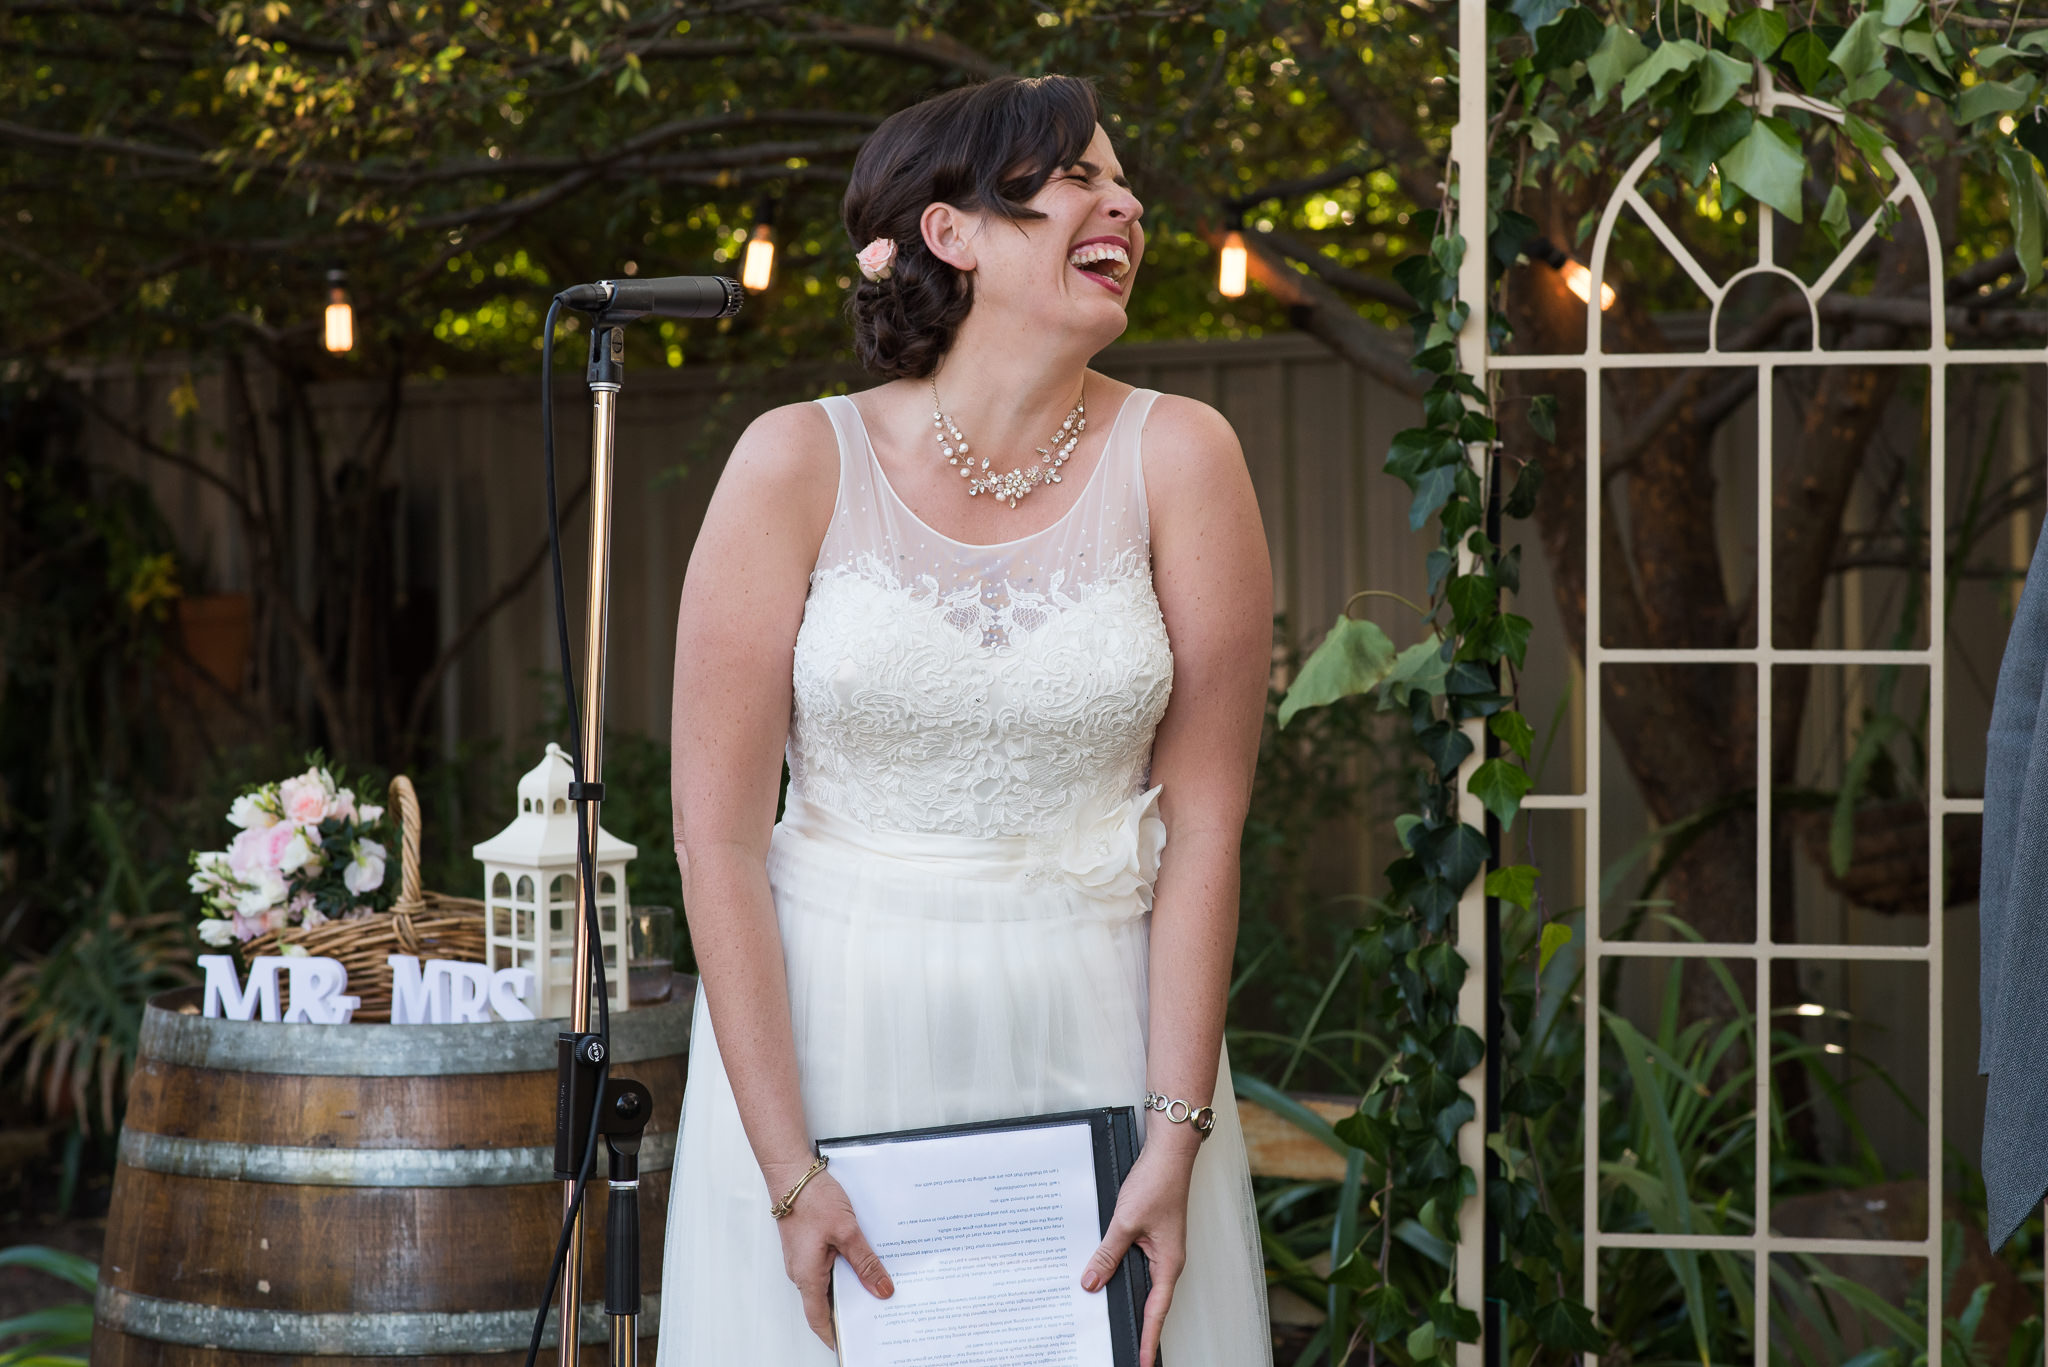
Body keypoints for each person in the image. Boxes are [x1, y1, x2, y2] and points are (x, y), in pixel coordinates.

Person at [658, 73, 1274, 1366]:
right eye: (1081, 179)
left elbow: (1209, 823)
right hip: (831, 1047)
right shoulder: (793, 459)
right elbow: (715, 840)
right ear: (952, 231)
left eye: (1124, 179)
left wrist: (1174, 1135)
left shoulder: (1186, 455)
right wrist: (785, 1167)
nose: (1127, 202)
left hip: (1102, 1036)